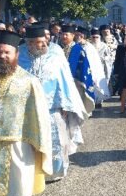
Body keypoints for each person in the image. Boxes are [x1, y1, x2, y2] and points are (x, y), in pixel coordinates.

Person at [0, 30, 53, 196]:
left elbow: (40, 117)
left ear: (16, 54)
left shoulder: (29, 81)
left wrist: (40, 147)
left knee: (18, 193)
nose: (2, 56)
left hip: (19, 146)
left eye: (7, 52)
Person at [18, 25, 87, 180]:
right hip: (26, 109)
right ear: (28, 43)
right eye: (38, 42)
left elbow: (64, 80)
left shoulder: (55, 54)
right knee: (28, 144)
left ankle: (54, 173)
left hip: (52, 108)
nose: (43, 45)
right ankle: (32, 172)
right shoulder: (19, 55)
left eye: (44, 41)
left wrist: (65, 104)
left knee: (56, 141)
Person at [60, 25, 96, 115]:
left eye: (66, 34)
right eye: (62, 34)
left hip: (75, 83)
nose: (64, 36)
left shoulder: (78, 49)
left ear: (72, 36)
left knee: (74, 110)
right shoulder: (58, 48)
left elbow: (84, 66)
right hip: (60, 83)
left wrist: (80, 80)